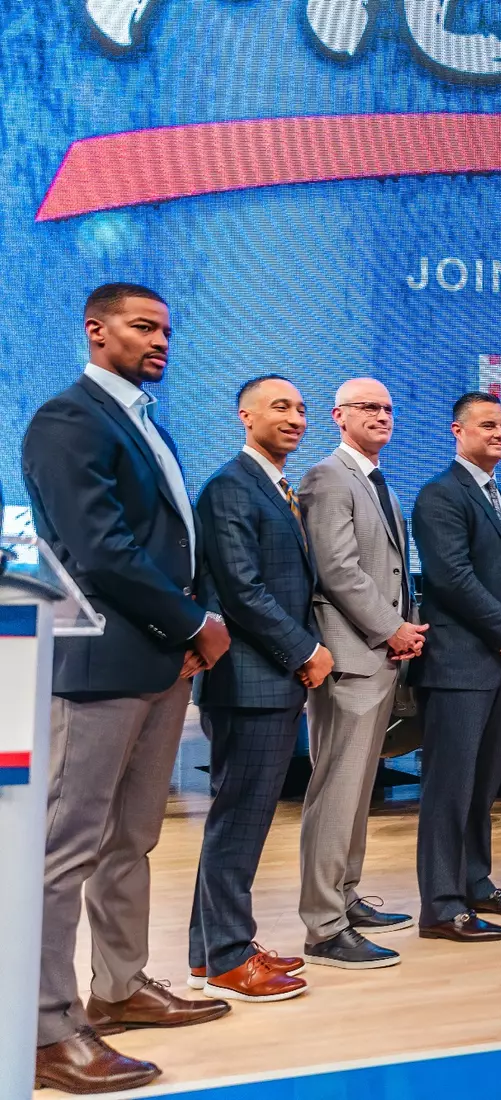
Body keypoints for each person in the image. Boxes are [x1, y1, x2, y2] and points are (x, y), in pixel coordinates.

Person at [24, 283, 232, 1093]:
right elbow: (101, 549)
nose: (160, 342)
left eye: (167, 330)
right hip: (101, 666)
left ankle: (118, 987)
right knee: (62, 850)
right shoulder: (68, 419)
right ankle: (42, 1031)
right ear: (96, 331)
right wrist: (193, 623)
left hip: (160, 661)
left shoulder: (146, 422)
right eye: (144, 327)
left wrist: (185, 631)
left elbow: (170, 544)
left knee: (130, 839)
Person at [188, 375, 331, 1003]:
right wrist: (307, 651)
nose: (295, 418)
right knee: (238, 822)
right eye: (280, 407)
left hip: (267, 682)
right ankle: (228, 957)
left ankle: (211, 949)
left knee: (239, 821)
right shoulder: (230, 486)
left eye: (300, 408)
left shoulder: (276, 488)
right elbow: (242, 590)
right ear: (245, 416)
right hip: (248, 683)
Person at [294, 378, 425, 971]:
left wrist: (405, 629)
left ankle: (345, 899)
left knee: (356, 791)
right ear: (338, 416)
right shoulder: (327, 477)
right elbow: (338, 571)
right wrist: (392, 628)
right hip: (351, 657)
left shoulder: (376, 481)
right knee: (336, 792)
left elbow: (391, 571)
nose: (382, 415)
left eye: (388, 408)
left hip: (380, 657)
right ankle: (324, 927)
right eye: (368, 407)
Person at [411, 392, 501, 943]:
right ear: (457, 431)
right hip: (458, 665)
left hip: (500, 666)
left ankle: (474, 881)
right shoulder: (440, 494)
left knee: (482, 786)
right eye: (487, 424)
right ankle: (441, 906)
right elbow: (452, 578)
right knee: (449, 790)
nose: (500, 433)